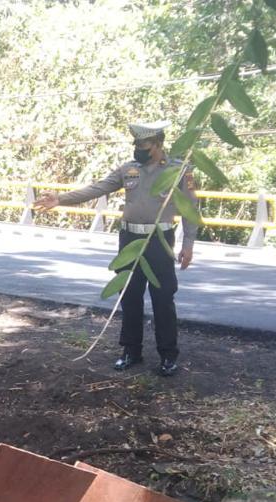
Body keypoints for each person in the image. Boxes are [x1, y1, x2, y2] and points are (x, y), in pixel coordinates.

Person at [34, 121, 199, 376]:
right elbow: (98, 188)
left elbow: (190, 208)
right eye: (136, 144)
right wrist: (61, 199)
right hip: (130, 238)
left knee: (163, 298)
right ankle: (131, 351)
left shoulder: (178, 170)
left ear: (157, 144)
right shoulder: (129, 169)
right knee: (129, 296)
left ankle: (168, 355)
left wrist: (188, 244)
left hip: (160, 240)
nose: (138, 149)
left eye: (142, 144)